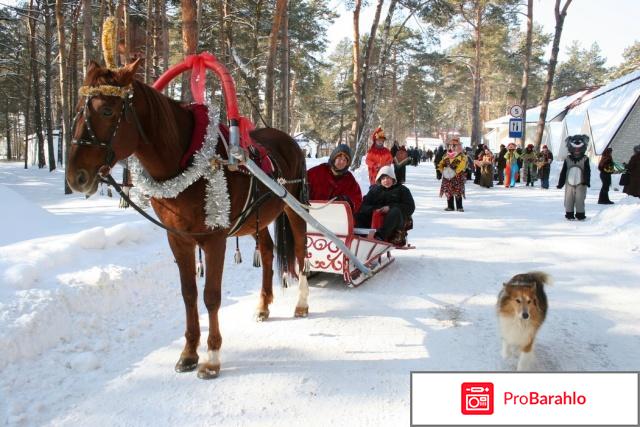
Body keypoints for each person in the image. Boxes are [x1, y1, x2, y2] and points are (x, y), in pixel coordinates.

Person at [355, 165, 415, 243]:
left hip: (395, 223)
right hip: (375, 221)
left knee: (395, 211)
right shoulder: (374, 191)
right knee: (359, 214)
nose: (386, 180)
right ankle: (360, 235)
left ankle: (380, 236)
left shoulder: (402, 190)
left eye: (388, 178)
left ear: (393, 178)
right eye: (383, 178)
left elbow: (410, 207)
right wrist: (376, 209)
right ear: (379, 180)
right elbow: (364, 206)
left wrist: (390, 207)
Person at [307, 144, 363, 214]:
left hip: (337, 218)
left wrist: (348, 201)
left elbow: (357, 200)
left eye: (345, 160)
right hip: (312, 213)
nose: (342, 162)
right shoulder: (316, 172)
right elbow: (301, 184)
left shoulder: (350, 180)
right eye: (339, 158)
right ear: (334, 157)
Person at [557, 135, 591, 220]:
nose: (576, 150)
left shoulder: (585, 159)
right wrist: (561, 183)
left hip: (581, 183)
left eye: (578, 148)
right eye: (574, 148)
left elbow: (587, 170)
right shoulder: (567, 159)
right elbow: (563, 171)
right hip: (569, 183)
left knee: (580, 199)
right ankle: (569, 214)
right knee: (569, 199)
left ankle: (580, 214)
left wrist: (586, 181)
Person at [437, 137, 468, 211]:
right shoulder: (446, 155)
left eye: (455, 145)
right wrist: (441, 169)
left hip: (457, 176)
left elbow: (462, 165)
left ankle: (459, 207)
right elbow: (441, 163)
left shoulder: (462, 156)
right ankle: (450, 206)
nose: (453, 147)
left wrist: (455, 172)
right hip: (447, 177)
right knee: (448, 191)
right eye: (452, 145)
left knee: (458, 191)